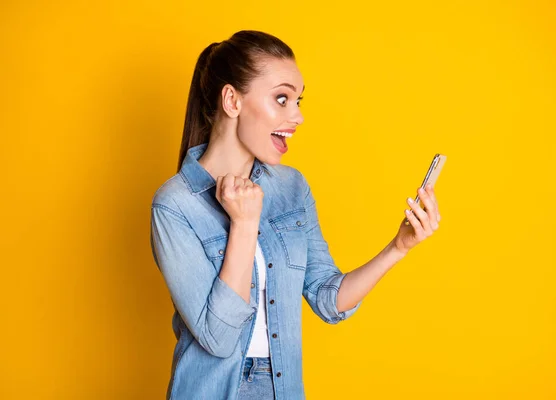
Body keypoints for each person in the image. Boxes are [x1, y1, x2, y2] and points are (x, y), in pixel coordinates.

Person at [150, 30, 442, 400]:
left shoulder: (291, 187)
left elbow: (328, 299)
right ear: (232, 100)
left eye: (298, 101)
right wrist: (244, 224)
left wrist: (398, 247)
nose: (298, 116)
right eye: (282, 99)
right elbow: (218, 337)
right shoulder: (175, 205)